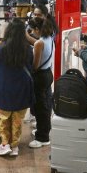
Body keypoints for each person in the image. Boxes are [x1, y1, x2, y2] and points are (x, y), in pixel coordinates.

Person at [0, 18, 34, 156]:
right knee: (17, 120)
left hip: (4, 89)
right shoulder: (28, 49)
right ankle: (15, 146)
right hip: (22, 89)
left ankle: (5, 144)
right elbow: (31, 67)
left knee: (3, 119)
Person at [28, 17, 55, 148]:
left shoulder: (39, 43)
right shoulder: (49, 37)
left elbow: (35, 66)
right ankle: (43, 129)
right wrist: (27, 36)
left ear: (37, 29)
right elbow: (37, 42)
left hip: (40, 77)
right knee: (46, 104)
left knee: (41, 108)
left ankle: (42, 137)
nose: (32, 32)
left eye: (33, 30)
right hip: (48, 73)